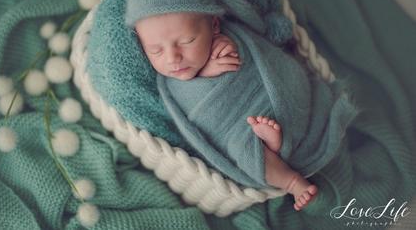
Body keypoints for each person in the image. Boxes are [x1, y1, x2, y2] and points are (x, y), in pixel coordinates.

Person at [134, 11, 318, 211]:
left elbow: (245, 60)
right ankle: (288, 176)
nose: (173, 58)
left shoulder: (223, 41)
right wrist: (205, 74)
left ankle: (278, 152)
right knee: (245, 151)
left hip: (262, 101)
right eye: (156, 51)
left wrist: (229, 47)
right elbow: (188, 116)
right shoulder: (168, 84)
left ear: (213, 26)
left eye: (188, 40)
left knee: (272, 112)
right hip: (234, 131)